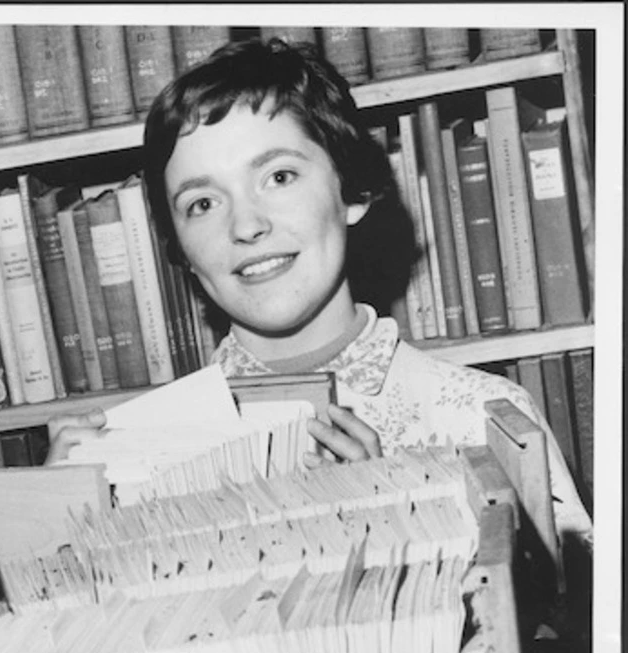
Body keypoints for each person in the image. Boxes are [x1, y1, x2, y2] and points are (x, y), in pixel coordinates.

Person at [49, 35, 591, 545]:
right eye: (202, 204)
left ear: (351, 192)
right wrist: (53, 525)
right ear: (180, 250)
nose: (245, 226)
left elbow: (566, 635)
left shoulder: (487, 421)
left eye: (279, 177)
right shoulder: (135, 459)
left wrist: (408, 528)